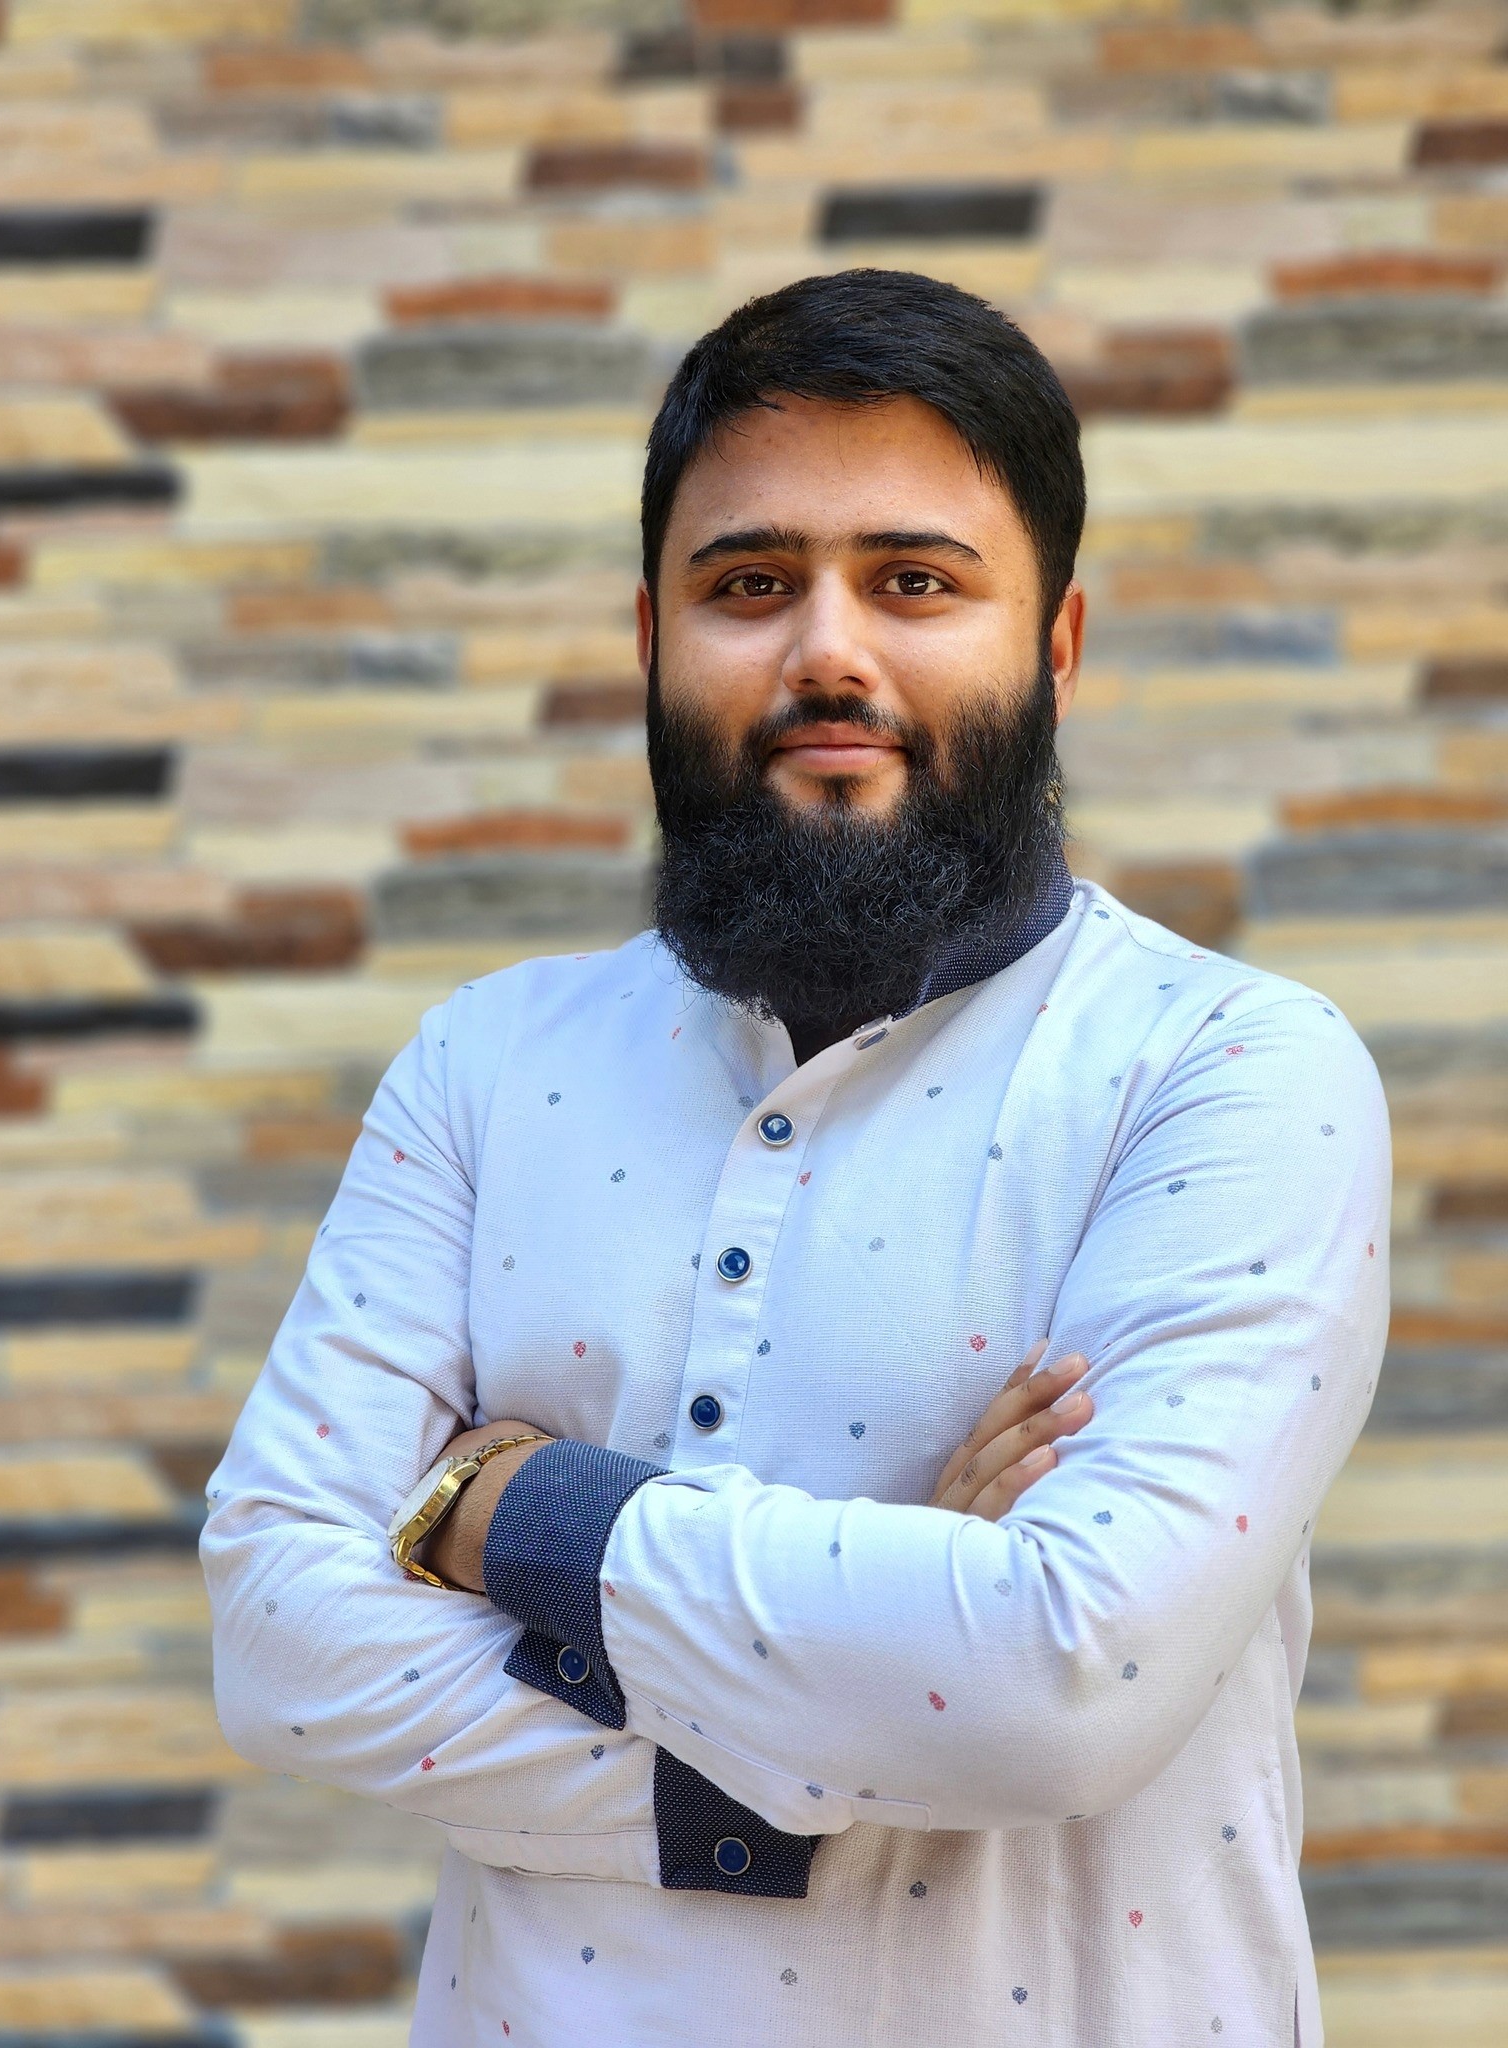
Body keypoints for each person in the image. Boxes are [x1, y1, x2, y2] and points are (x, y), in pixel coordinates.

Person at [203, 269, 1390, 2048]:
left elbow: (1061, 1677)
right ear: (651, 639)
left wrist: (502, 1507)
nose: (829, 652)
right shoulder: (486, 1061)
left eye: (916, 582)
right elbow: (279, 1641)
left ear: (1058, 646)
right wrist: (839, 1694)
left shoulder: (1231, 1070)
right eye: (750, 584)